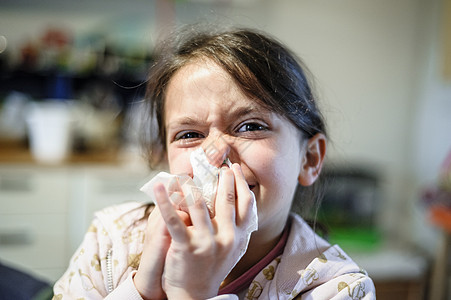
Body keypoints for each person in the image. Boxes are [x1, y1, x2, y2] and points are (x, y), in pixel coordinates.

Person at [53, 25, 376, 300]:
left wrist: (189, 293)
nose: (215, 153)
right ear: (165, 155)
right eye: (189, 134)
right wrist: (144, 289)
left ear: (310, 159)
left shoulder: (336, 287)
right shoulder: (112, 239)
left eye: (250, 127)